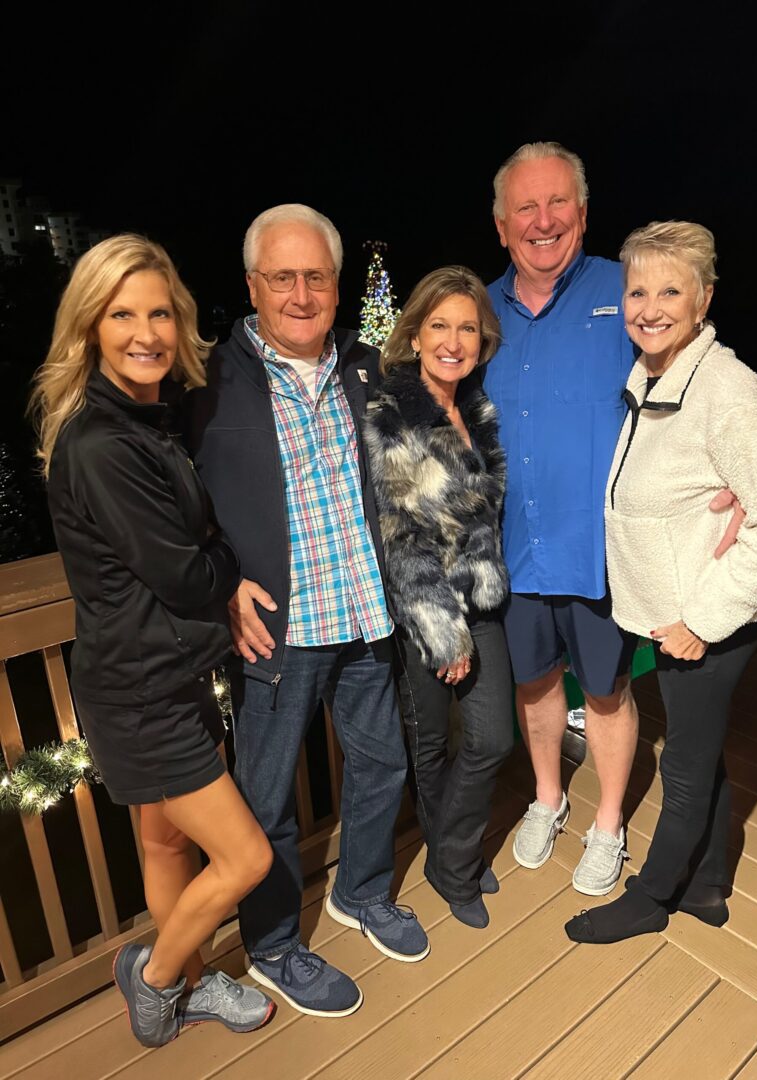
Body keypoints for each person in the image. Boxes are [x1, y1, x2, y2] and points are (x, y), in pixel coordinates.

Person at [185, 204, 429, 1020]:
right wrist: (220, 582)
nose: (301, 294)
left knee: (382, 764)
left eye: (316, 277)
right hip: (277, 628)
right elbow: (177, 503)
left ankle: (361, 893)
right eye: (283, 277)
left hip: (363, 611)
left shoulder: (363, 366)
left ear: (336, 284)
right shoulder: (209, 380)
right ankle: (274, 944)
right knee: (267, 800)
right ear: (252, 285)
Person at [31, 235, 275, 1048]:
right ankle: (158, 977)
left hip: (157, 674)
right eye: (122, 315)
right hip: (142, 692)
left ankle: (194, 984)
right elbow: (185, 575)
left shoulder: (142, 421)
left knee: (165, 841)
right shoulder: (104, 444)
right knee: (245, 860)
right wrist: (228, 561)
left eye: (160, 314)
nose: (146, 333)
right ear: (90, 327)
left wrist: (210, 556)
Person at [485, 142, 743, 896]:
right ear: (501, 225)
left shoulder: (623, 289)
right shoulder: (478, 310)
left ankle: (607, 824)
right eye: (525, 208)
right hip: (512, 547)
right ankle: (548, 798)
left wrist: (737, 475)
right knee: (534, 686)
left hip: (598, 549)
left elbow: (696, 371)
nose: (543, 221)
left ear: (583, 212)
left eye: (557, 203)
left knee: (606, 690)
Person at [565, 221, 757, 943]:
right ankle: (707, 886)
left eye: (670, 291)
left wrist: (703, 619)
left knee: (684, 763)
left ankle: (650, 897)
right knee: (700, 749)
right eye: (637, 291)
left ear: (703, 300)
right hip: (672, 612)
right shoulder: (654, 377)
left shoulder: (727, 390)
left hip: (707, 618)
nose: (650, 308)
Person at [365, 267, 514, 930]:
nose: (454, 341)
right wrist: (442, 632)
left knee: (492, 738)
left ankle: (449, 859)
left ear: (482, 340)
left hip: (480, 598)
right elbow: (401, 534)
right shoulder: (394, 414)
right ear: (415, 335)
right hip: (422, 610)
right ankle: (455, 859)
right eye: (440, 326)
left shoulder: (476, 409)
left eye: (468, 329)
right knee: (428, 746)